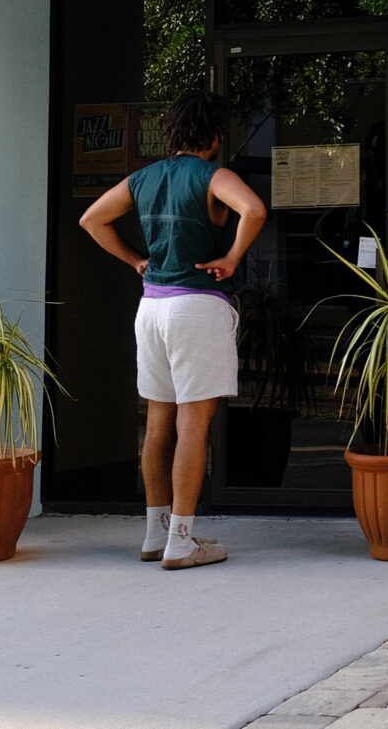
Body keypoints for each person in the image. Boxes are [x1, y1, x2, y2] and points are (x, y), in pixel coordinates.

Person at [78, 88, 267, 569]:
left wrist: (134, 260)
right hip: (197, 307)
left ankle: (155, 534)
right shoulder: (214, 176)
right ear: (216, 134)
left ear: (175, 131)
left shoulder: (143, 178)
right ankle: (181, 541)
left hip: (152, 308)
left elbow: (92, 219)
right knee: (193, 428)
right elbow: (254, 210)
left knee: (157, 425)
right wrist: (232, 257)